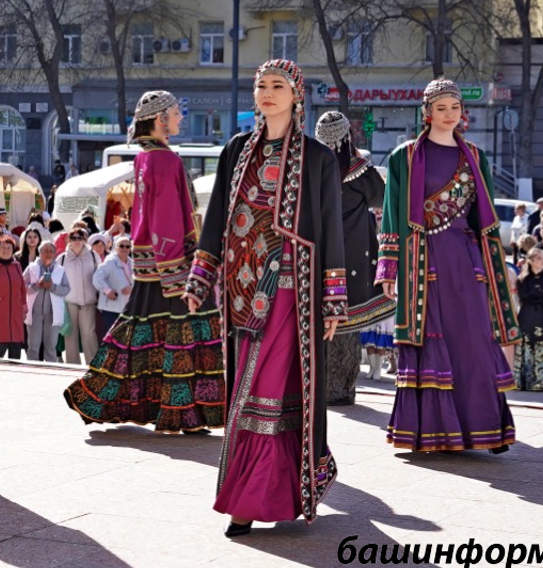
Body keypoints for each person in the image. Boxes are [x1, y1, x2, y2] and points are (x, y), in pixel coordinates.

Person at [183, 61, 346, 534]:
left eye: (279, 86)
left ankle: (251, 499)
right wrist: (200, 276)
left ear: (297, 96)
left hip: (292, 298)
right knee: (245, 389)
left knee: (266, 391)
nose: (268, 93)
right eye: (261, 86)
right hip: (240, 292)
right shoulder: (237, 150)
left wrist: (333, 298)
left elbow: (331, 230)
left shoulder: (318, 158)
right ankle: (254, 492)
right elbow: (215, 218)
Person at [63, 90, 225, 434]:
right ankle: (181, 414)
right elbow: (166, 218)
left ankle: (101, 396)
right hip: (171, 263)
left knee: (142, 334)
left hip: (150, 261)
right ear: (160, 118)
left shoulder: (145, 158)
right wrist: (177, 270)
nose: (180, 118)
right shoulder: (164, 160)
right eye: (177, 113)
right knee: (181, 336)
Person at [377, 78, 520, 453]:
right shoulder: (404, 157)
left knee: (474, 341)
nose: (448, 114)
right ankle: (432, 434)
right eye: (441, 108)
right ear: (427, 114)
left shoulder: (475, 155)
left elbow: (482, 218)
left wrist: (492, 268)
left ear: (462, 112)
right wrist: (388, 269)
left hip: (465, 260)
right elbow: (392, 216)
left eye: (454, 108)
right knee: (430, 340)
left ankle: (485, 428)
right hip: (422, 261)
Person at [315, 109, 393, 407]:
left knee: (320, 323)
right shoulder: (359, 169)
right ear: (348, 136)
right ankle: (341, 390)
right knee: (346, 324)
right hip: (353, 259)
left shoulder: (312, 167)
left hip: (319, 255)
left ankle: (320, 388)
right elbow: (381, 198)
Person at [514, 245, 543, 393]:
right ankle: (526, 381)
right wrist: (541, 294)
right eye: (539, 258)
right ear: (531, 261)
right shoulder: (523, 279)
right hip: (528, 316)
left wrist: (539, 294)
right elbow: (525, 297)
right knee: (527, 346)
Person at [57, 227, 100, 365]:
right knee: (70, 335)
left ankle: (93, 365)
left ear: (84, 240)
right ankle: (72, 366)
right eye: (73, 238)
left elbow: (101, 275)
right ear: (69, 240)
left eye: (79, 238)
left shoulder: (93, 256)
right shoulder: (62, 258)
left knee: (89, 334)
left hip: (88, 302)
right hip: (69, 302)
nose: (76, 241)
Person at [23, 239, 70, 362]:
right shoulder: (32, 267)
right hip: (34, 313)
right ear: (40, 253)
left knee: (51, 346)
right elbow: (22, 287)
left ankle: (51, 372)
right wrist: (37, 285)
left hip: (52, 314)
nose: (48, 254)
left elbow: (66, 289)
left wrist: (52, 287)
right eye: (45, 251)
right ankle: (32, 371)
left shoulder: (60, 270)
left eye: (51, 251)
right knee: (33, 346)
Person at [0, 235, 27, 359]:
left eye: (9, 247)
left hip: (15, 315)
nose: (6, 250)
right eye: (2, 247)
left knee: (15, 349)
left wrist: (24, 308)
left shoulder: (16, 265)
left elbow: (22, 288)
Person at [93, 235, 133, 339]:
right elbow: (97, 277)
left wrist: (132, 289)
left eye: (127, 246)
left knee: (125, 338)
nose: (125, 249)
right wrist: (107, 290)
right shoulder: (110, 261)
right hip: (111, 308)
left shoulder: (132, 263)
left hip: (127, 308)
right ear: (115, 247)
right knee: (112, 339)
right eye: (122, 246)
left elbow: (138, 282)